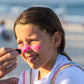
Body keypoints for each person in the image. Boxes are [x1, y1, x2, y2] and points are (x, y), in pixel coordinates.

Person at [13, 6, 84, 84]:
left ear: (56, 39)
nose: (26, 49)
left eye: (33, 40)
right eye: (20, 42)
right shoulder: (27, 77)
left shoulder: (69, 75)